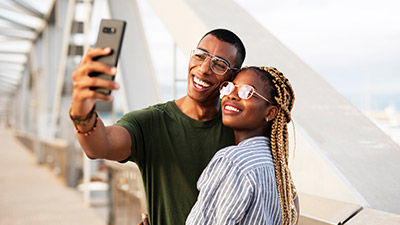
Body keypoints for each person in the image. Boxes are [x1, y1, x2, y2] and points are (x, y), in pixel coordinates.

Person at [69, 28, 246, 225]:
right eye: (200, 55)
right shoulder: (151, 122)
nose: (204, 69)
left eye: (219, 65)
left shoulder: (240, 131)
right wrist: (81, 111)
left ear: (233, 79)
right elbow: (101, 146)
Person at [186, 66, 299, 225]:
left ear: (270, 112)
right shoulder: (281, 174)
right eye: (230, 87)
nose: (232, 95)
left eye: (247, 92)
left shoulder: (233, 160)